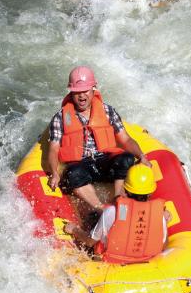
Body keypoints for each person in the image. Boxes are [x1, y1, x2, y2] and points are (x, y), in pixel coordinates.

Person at [46, 66, 151, 214]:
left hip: (105, 160)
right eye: (77, 92)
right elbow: (53, 149)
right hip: (81, 164)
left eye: (85, 91)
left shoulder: (107, 111)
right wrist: (54, 173)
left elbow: (125, 139)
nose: (82, 96)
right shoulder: (61, 117)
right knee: (72, 174)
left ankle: (118, 198)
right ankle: (101, 209)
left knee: (127, 159)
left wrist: (141, 155)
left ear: (93, 89)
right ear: (71, 92)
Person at [65, 164, 168, 263]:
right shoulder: (160, 215)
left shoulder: (114, 211)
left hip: (112, 263)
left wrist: (74, 229)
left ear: (126, 190)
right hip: (145, 263)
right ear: (150, 193)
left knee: (92, 218)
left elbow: (89, 242)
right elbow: (163, 245)